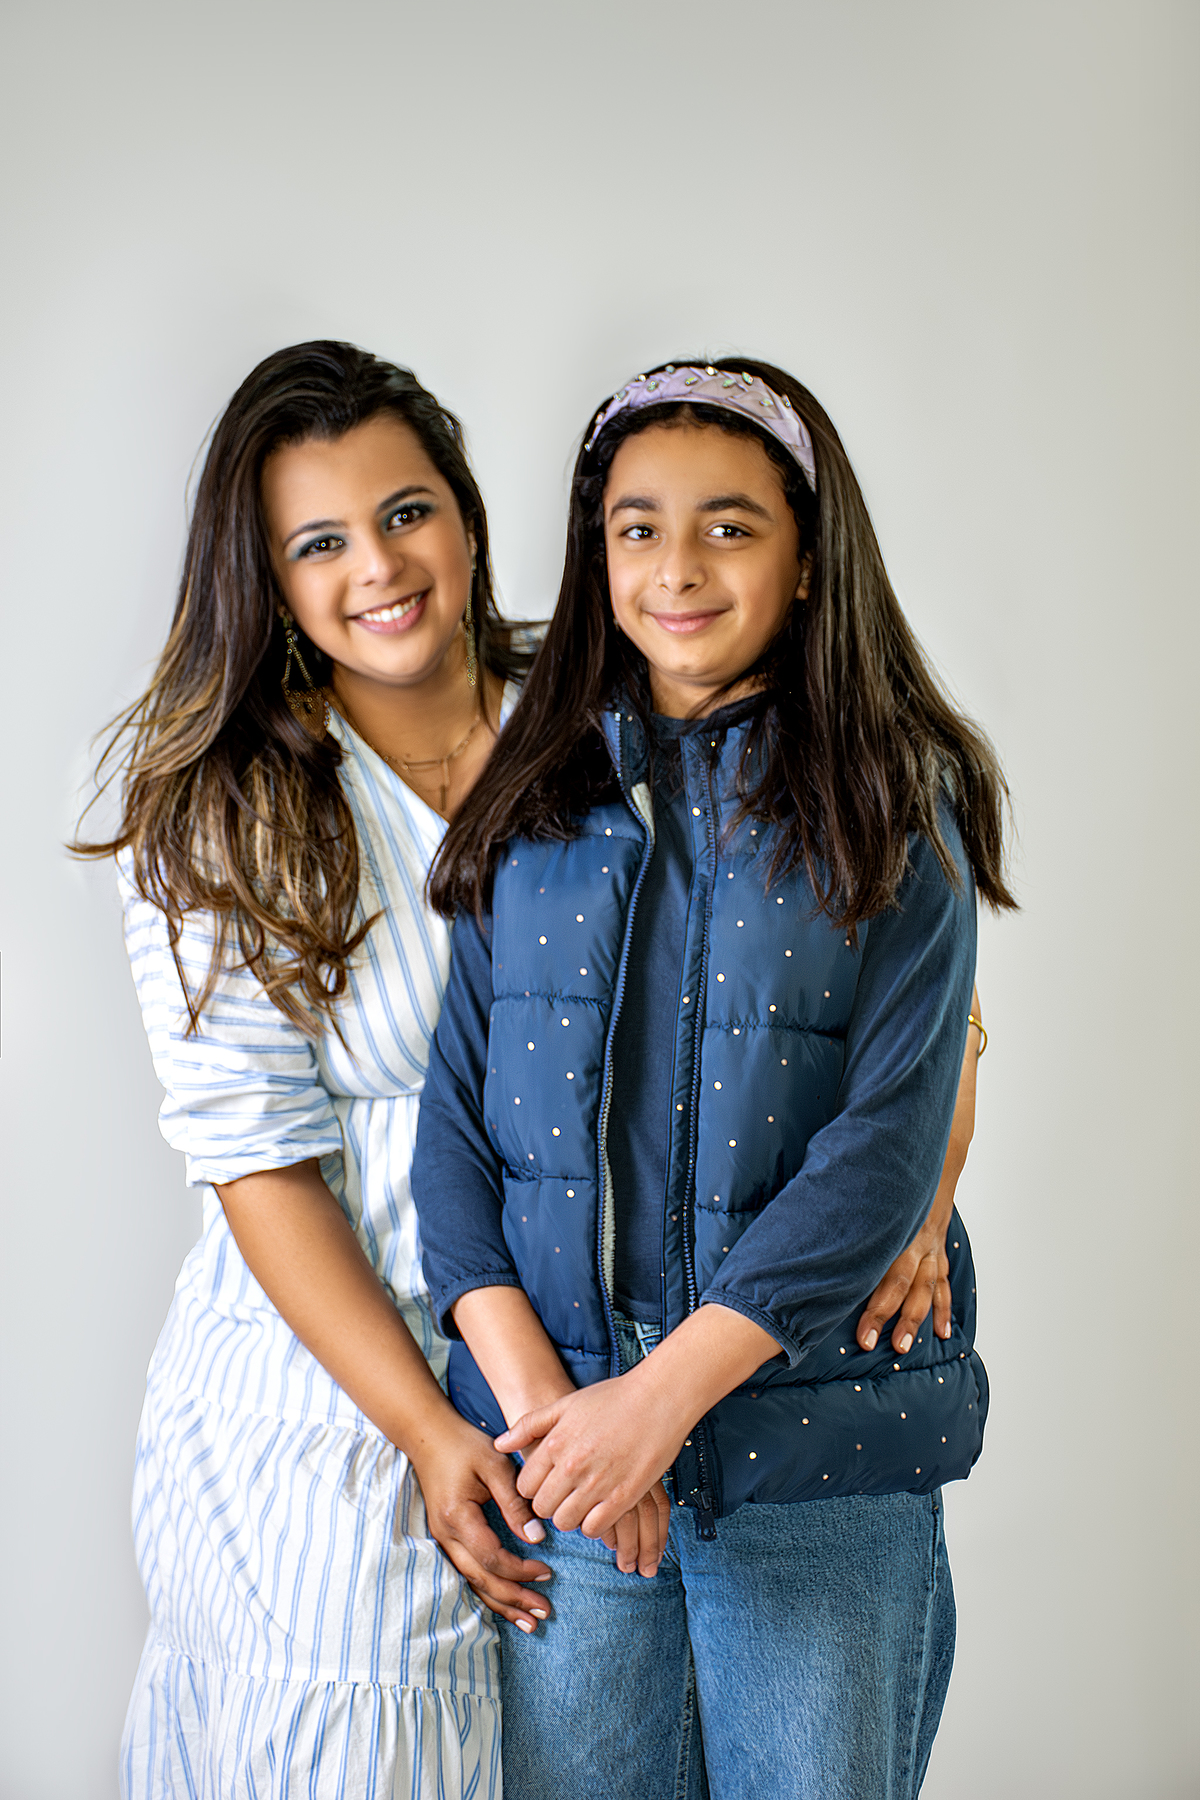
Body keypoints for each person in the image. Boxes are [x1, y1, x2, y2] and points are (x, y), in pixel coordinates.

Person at [412, 358, 1014, 1799]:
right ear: (597, 552)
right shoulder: (534, 797)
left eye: (729, 526)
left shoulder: (890, 797)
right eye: (638, 527)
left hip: (812, 1455)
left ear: (808, 558)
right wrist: (567, 1424)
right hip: (564, 1456)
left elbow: (885, 1147)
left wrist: (661, 1406)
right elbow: (453, 1141)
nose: (676, 567)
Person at [75, 341, 560, 1799]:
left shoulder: (596, 715)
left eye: (406, 512)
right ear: (267, 578)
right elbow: (258, 1162)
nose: (380, 568)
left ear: (465, 514)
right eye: (320, 542)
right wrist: (424, 1429)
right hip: (332, 1400)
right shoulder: (218, 810)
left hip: (577, 1379)